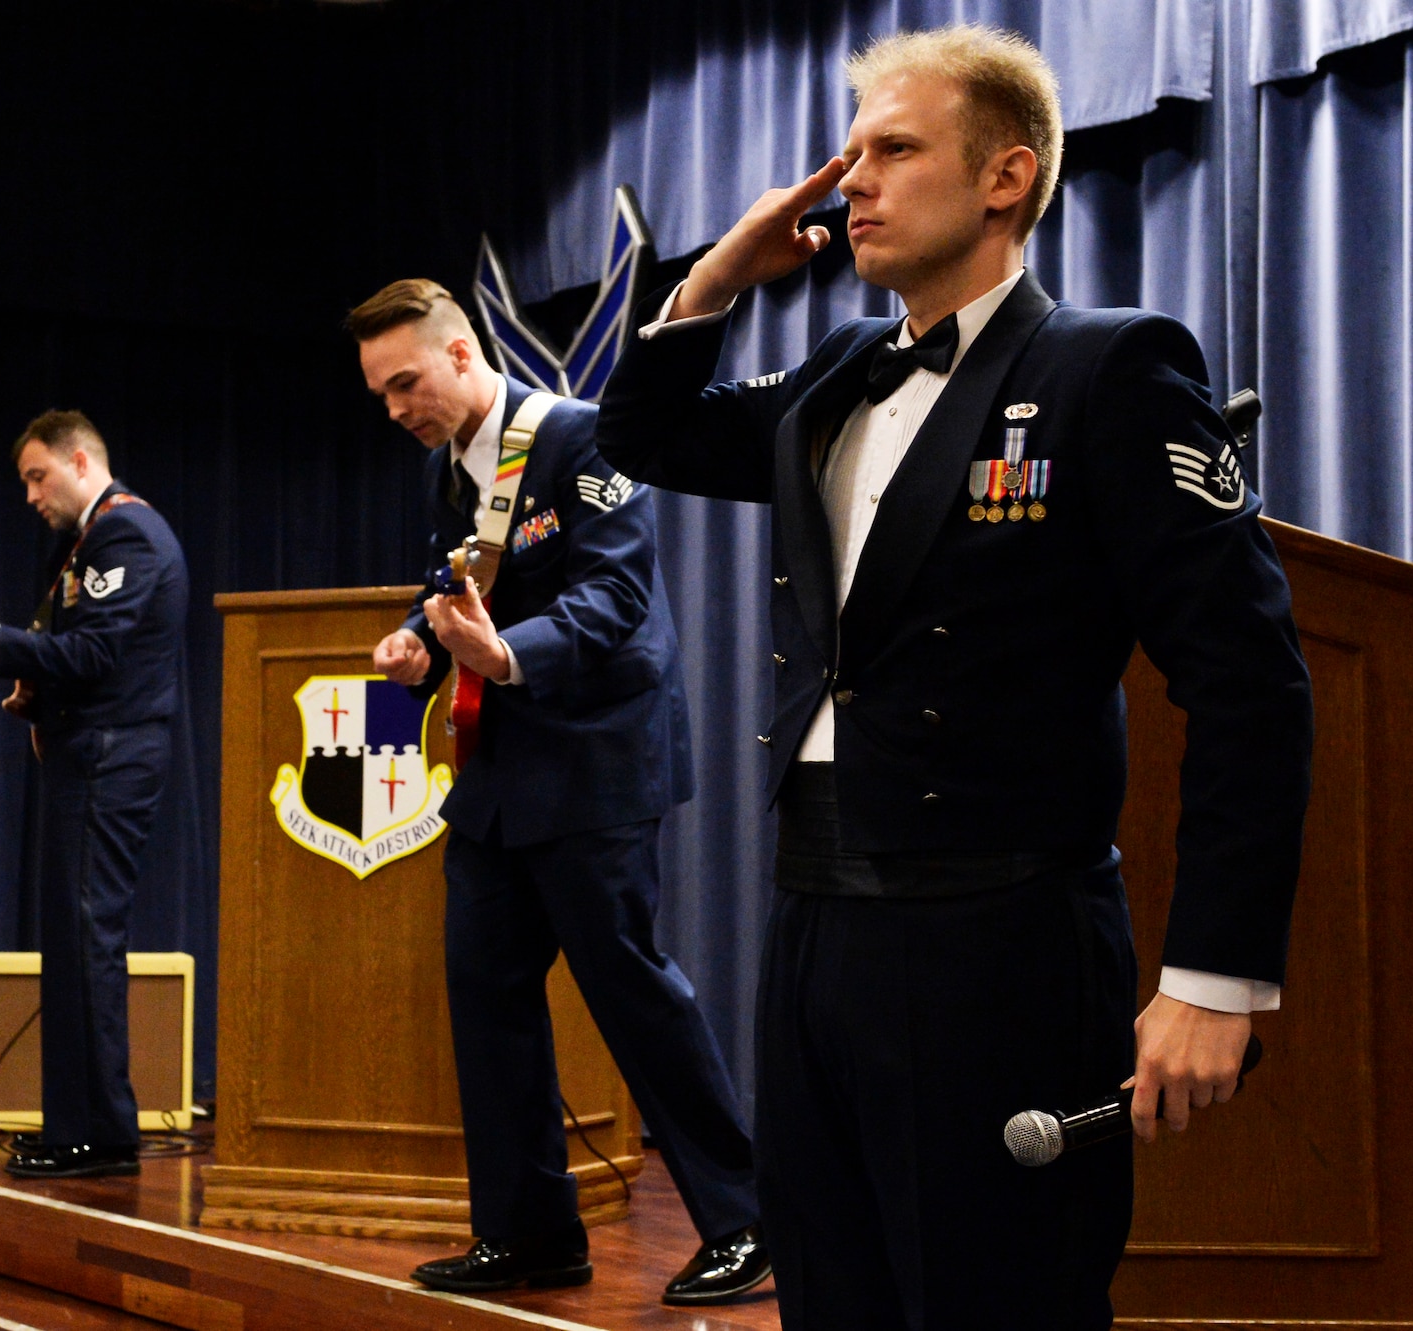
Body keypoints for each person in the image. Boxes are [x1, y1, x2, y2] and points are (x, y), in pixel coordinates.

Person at [595, 25, 1315, 1330]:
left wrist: (1215, 972)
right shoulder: (833, 375)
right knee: (834, 1291)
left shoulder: (1109, 366)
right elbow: (642, 431)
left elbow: (1250, 678)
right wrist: (716, 274)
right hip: (813, 916)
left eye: (893, 149)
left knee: (997, 1301)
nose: (851, 180)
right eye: (849, 152)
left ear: (1004, 177)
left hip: (1000, 932)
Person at [349, 280, 769, 1306]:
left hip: (594, 760)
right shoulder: (451, 473)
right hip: (498, 776)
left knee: (630, 990)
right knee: (483, 995)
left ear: (459, 356)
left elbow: (617, 594)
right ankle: (528, 1231)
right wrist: (417, 636)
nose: (397, 407)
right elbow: (462, 577)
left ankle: (746, 1221)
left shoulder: (578, 434)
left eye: (406, 382)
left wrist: (503, 653)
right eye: (380, 394)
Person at [0, 410, 190, 1181]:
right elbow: (77, 657)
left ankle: (100, 1133)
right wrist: (33, 691)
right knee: (72, 944)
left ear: (81, 460)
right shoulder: (80, 544)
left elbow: (97, 648)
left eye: (38, 476)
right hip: (88, 751)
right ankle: (78, 1123)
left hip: (113, 757)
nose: (31, 495)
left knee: (87, 941)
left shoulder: (126, 535)